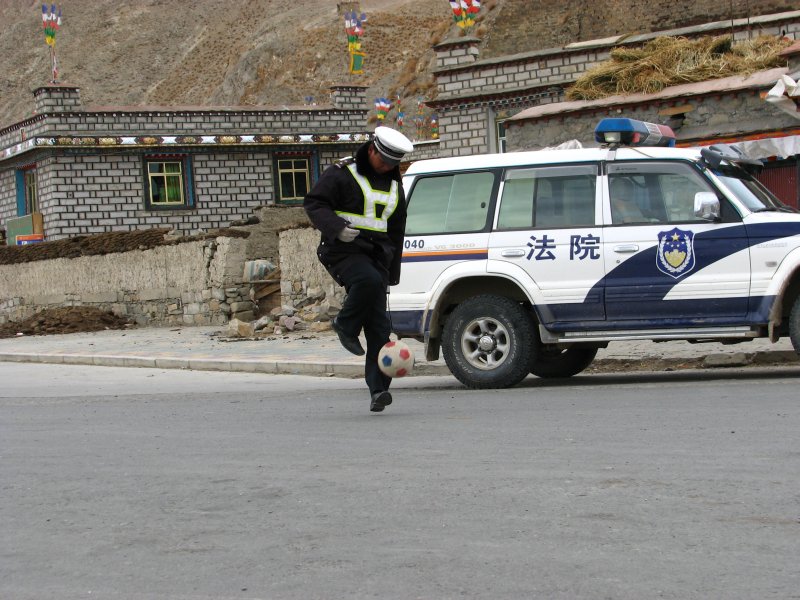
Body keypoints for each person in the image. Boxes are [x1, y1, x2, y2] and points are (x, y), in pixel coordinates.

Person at [303, 126, 414, 413]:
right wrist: (337, 228)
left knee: (379, 326)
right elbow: (314, 202)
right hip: (341, 250)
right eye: (384, 161)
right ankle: (345, 324)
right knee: (365, 279)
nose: (388, 167)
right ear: (372, 150)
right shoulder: (342, 172)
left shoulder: (394, 183)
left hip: (376, 255)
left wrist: (392, 273)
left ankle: (378, 390)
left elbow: (397, 228)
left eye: (394, 163)